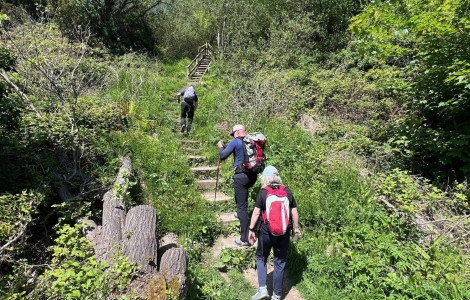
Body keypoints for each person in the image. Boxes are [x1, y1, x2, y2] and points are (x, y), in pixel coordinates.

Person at [248, 165, 301, 300]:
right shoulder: (287, 191)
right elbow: (294, 211)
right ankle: (277, 295)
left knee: (261, 257)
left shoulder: (263, 192)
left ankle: (263, 289)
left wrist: (251, 229)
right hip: (284, 233)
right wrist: (296, 228)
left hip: (266, 232)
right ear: (277, 178)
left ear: (265, 179)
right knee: (279, 261)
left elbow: (256, 213)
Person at [217, 124, 258, 247]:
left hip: (241, 176)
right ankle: (239, 213)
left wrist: (220, 147)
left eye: (233, 133)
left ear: (237, 132)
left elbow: (223, 156)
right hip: (253, 176)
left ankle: (245, 239)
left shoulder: (235, 141)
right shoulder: (252, 141)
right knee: (241, 199)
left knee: (242, 208)